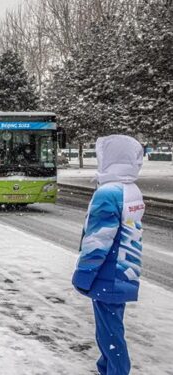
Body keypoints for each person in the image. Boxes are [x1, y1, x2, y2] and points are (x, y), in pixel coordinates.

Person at [72, 135, 145, 375]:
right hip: (126, 270)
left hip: (107, 274)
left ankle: (115, 371)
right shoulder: (131, 189)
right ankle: (107, 368)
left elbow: (98, 240)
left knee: (110, 333)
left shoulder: (108, 192)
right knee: (111, 327)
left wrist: (83, 274)